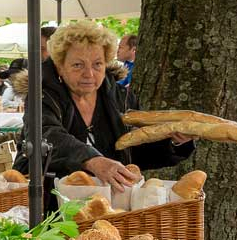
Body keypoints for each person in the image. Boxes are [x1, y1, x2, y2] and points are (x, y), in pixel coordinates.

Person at [16, 20, 194, 192]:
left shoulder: (120, 98)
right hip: (52, 203)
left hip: (110, 204)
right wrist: (92, 160)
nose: (89, 73)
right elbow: (46, 134)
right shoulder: (42, 96)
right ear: (60, 66)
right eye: (78, 65)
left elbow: (138, 152)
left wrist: (173, 141)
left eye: (97, 64)